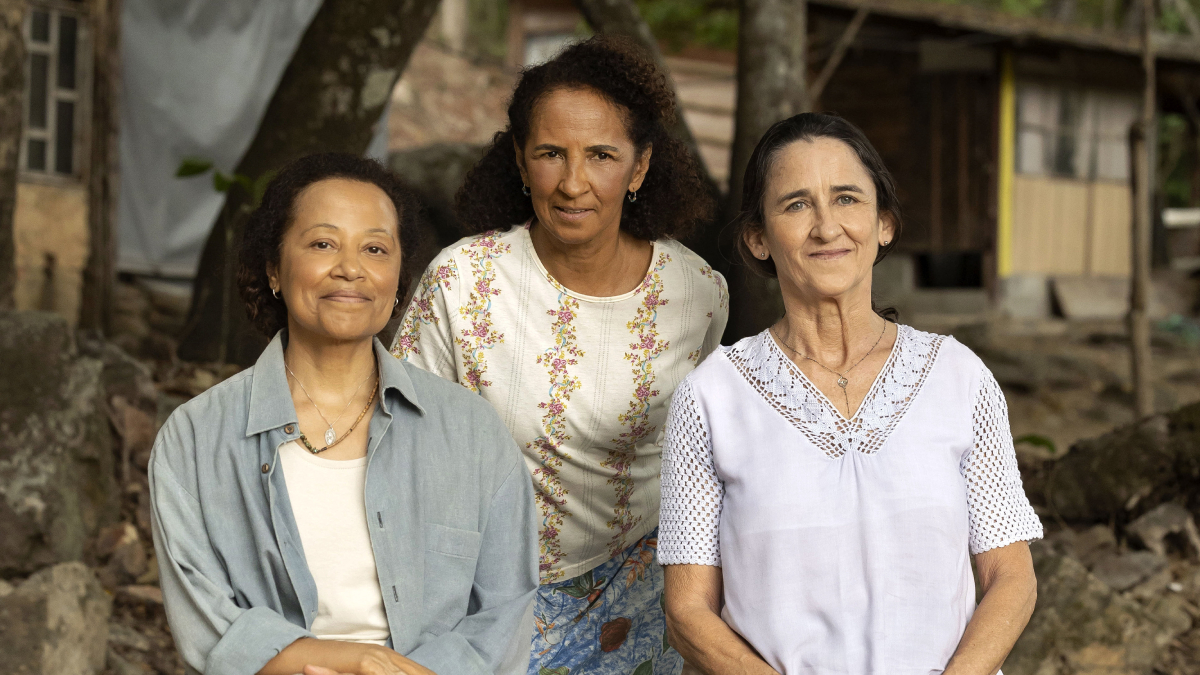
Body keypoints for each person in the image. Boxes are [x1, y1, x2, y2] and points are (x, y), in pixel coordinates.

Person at [658, 113, 1043, 675]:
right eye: (796, 204)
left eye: (846, 199)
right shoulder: (713, 397)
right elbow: (688, 610)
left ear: (883, 223)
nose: (826, 227)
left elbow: (1011, 576)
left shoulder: (958, 377)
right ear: (758, 238)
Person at [393, 37, 726, 675]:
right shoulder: (462, 282)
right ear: (520, 162)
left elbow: (701, 453)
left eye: (602, 155)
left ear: (639, 166)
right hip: (487, 591)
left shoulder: (697, 295)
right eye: (551, 153)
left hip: (646, 590)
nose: (573, 183)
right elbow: (402, 443)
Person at [149, 153, 538, 675]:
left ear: (399, 276)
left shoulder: (472, 433)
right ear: (273, 270)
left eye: (375, 248)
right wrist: (364, 662)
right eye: (322, 244)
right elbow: (209, 626)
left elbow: (506, 611)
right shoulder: (196, 438)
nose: (350, 268)